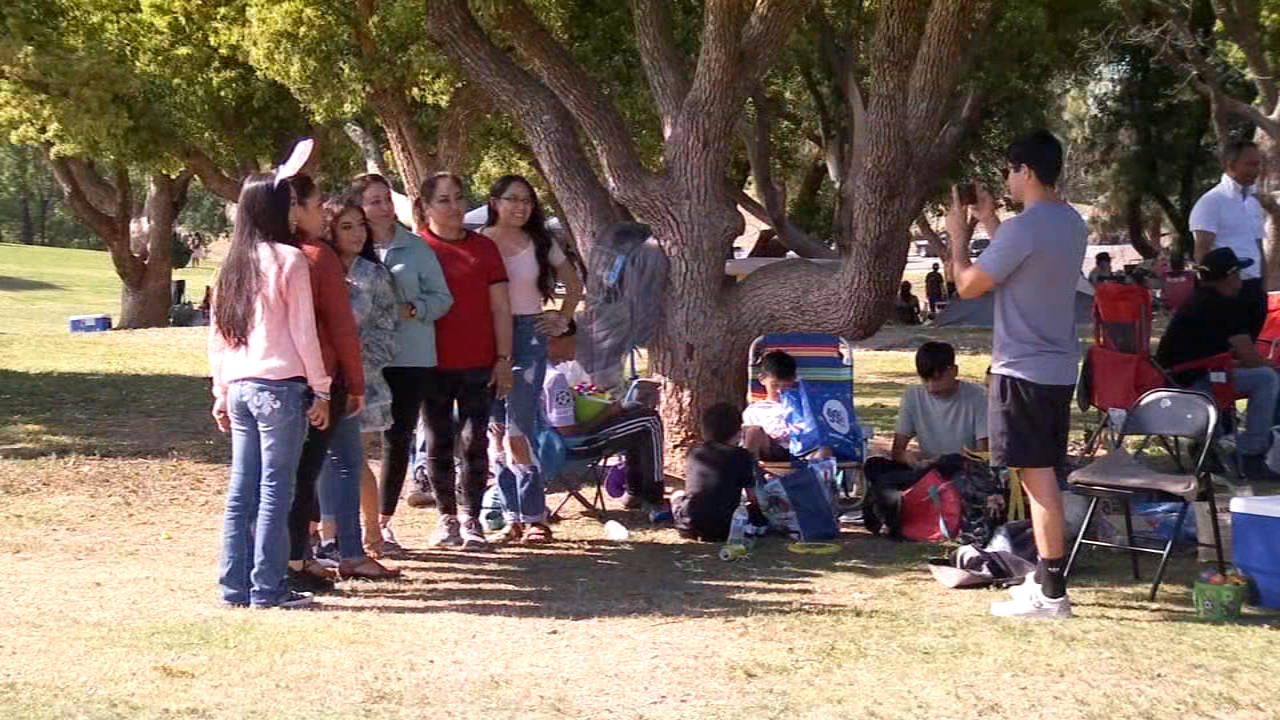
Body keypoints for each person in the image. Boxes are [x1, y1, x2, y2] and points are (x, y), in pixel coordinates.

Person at [949, 128, 1086, 618]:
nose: (1006, 179)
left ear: (1025, 171)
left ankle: (1051, 592)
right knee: (1042, 471)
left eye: (1009, 170)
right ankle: (1044, 583)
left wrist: (958, 237)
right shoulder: (1070, 223)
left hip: (1021, 368)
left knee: (1037, 479)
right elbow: (1021, 261)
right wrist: (989, 219)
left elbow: (968, 286)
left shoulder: (1024, 229)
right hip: (1057, 366)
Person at [208, 172, 330, 610]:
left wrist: (221, 390)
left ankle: (235, 587)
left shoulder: (232, 264)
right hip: (280, 388)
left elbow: (219, 336)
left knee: (243, 490)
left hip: (240, 386)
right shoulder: (289, 260)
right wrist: (322, 389)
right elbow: (303, 333)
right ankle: (268, 588)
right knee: (277, 490)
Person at [353, 174, 452, 554]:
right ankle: (347, 523)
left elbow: (443, 298)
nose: (383, 207)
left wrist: (415, 308)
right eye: (374, 201)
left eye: (386, 199)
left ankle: (384, 523)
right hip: (363, 358)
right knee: (357, 442)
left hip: (411, 356)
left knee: (398, 438)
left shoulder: (416, 247)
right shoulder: (351, 247)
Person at [413, 172, 514, 549]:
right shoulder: (417, 249)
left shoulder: (484, 249)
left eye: (458, 197)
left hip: (479, 362)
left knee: (475, 443)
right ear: (426, 207)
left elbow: (501, 307)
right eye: (444, 200)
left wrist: (503, 358)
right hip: (431, 364)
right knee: (438, 441)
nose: (455, 207)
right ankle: (447, 518)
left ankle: (472, 519)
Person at [482, 175, 583, 543]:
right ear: (495, 202)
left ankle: (535, 515)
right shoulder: (480, 243)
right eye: (512, 199)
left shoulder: (541, 241)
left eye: (527, 200)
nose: (520, 207)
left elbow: (574, 283)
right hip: (485, 335)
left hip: (528, 336)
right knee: (494, 430)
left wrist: (563, 316)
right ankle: (513, 517)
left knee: (518, 428)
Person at [283, 173, 367, 594]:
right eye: (317, 206)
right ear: (295, 209)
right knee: (306, 472)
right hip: (320, 378)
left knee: (282, 475)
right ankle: (297, 559)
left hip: (271, 378)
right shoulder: (317, 256)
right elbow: (340, 325)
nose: (322, 215)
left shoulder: (263, 252)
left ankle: (290, 555)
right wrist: (354, 381)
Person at [313, 198, 401, 579]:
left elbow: (387, 326)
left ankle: (371, 534)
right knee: (321, 462)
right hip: (321, 378)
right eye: (346, 226)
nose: (357, 233)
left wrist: (359, 359)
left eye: (360, 226)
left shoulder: (374, 274)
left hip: (363, 380)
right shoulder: (317, 267)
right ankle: (325, 535)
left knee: (354, 460)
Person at [1156, 247, 1280, 480]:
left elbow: (1218, 355)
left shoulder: (1200, 299)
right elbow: (1249, 357)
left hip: (1177, 377)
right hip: (1192, 383)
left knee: (1263, 375)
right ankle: (1252, 450)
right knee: (1267, 379)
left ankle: (1218, 445)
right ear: (1230, 277)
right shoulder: (1223, 306)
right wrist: (1270, 365)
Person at [542, 335, 666, 509]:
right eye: (572, 344)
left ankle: (634, 491)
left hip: (543, 444)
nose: (572, 356)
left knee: (634, 410)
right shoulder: (554, 379)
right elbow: (569, 432)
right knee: (649, 421)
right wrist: (607, 413)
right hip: (573, 447)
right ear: (553, 340)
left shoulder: (528, 370)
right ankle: (654, 497)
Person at [1190, 139, 1280, 339]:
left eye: (1259, 164)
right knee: (1227, 349)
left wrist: (1262, 288)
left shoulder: (1253, 202)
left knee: (1249, 347)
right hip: (1226, 289)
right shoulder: (1211, 202)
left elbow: (1257, 246)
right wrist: (1212, 294)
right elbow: (1201, 252)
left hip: (1254, 289)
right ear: (1231, 165)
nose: (1257, 170)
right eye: (1251, 164)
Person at [673, 403, 763, 542]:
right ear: (738, 431)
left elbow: (694, 488)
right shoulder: (742, 455)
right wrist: (758, 515)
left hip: (688, 525)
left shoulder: (693, 451)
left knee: (677, 495)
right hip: (725, 528)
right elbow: (752, 496)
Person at [741, 350, 833, 462]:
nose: (780, 390)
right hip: (771, 451)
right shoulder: (755, 410)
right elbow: (751, 440)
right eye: (774, 385)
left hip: (803, 451)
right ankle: (749, 473)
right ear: (762, 379)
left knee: (825, 451)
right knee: (753, 431)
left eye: (786, 386)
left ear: (794, 380)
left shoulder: (804, 405)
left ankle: (808, 477)